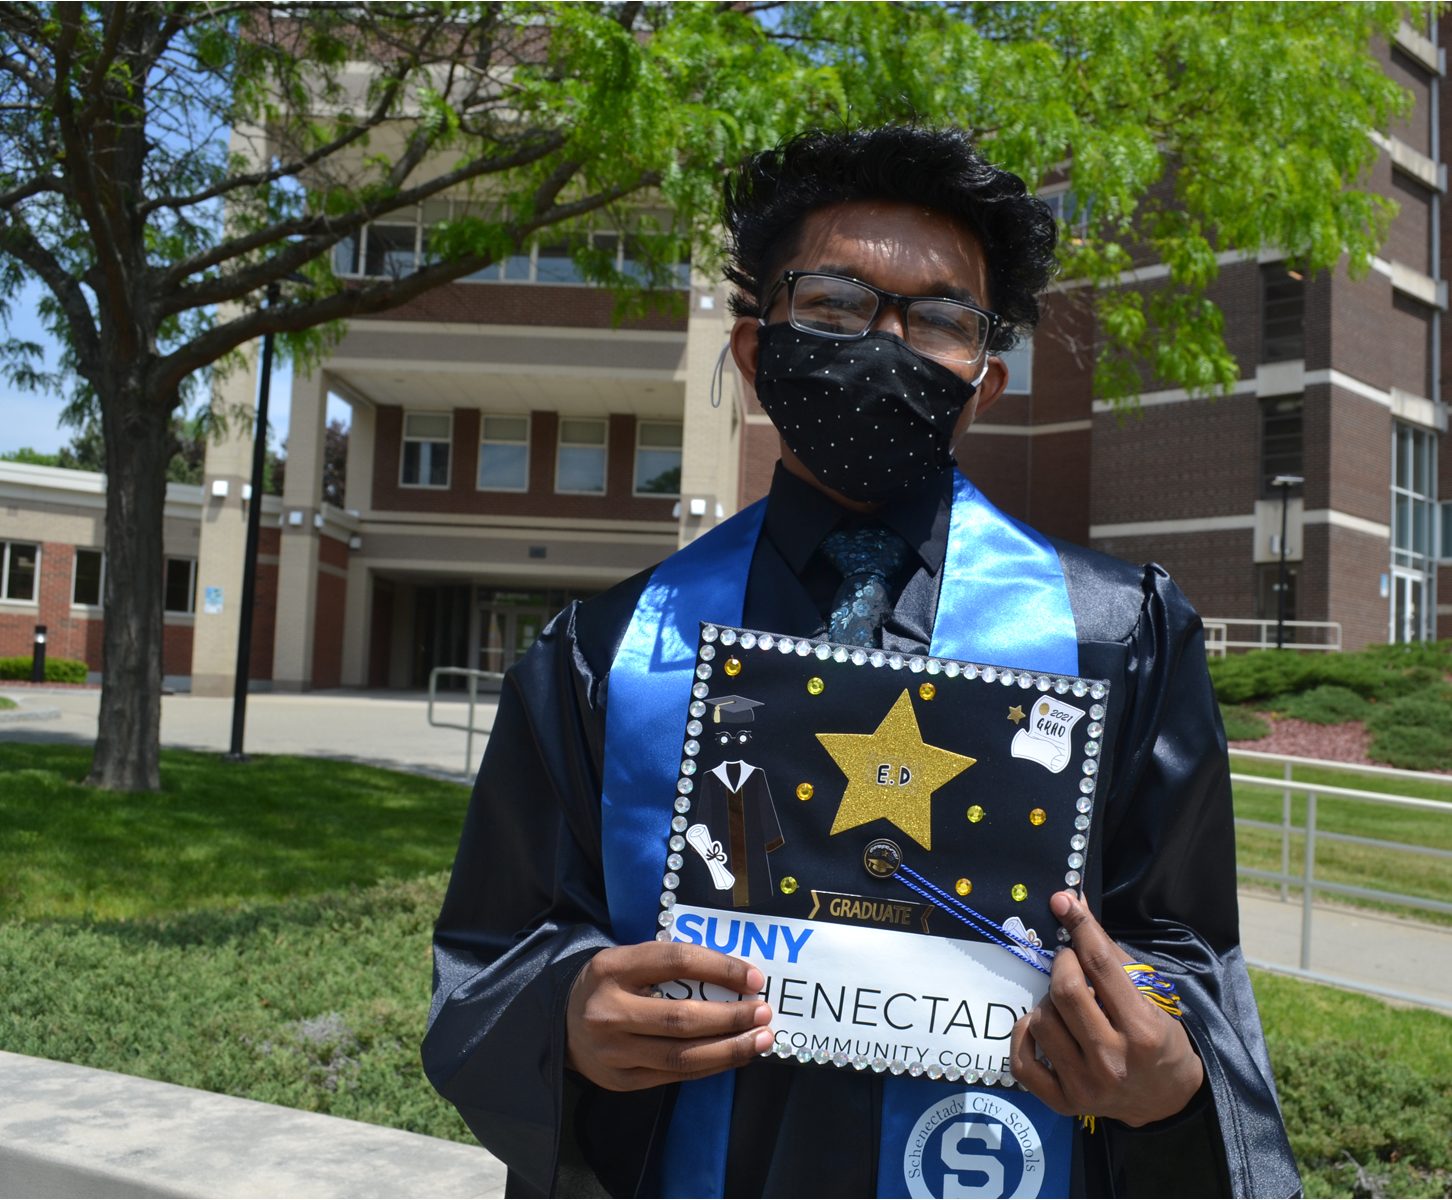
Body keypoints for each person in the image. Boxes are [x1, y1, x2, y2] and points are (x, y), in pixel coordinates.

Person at [423, 125, 1298, 1199]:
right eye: (834, 306)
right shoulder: (613, 653)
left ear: (984, 382)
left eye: (939, 318)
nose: (885, 343)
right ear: (755, 353)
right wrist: (566, 1012)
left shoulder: (1113, 638)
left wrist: (1166, 1067)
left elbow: (1185, 953)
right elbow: (493, 951)